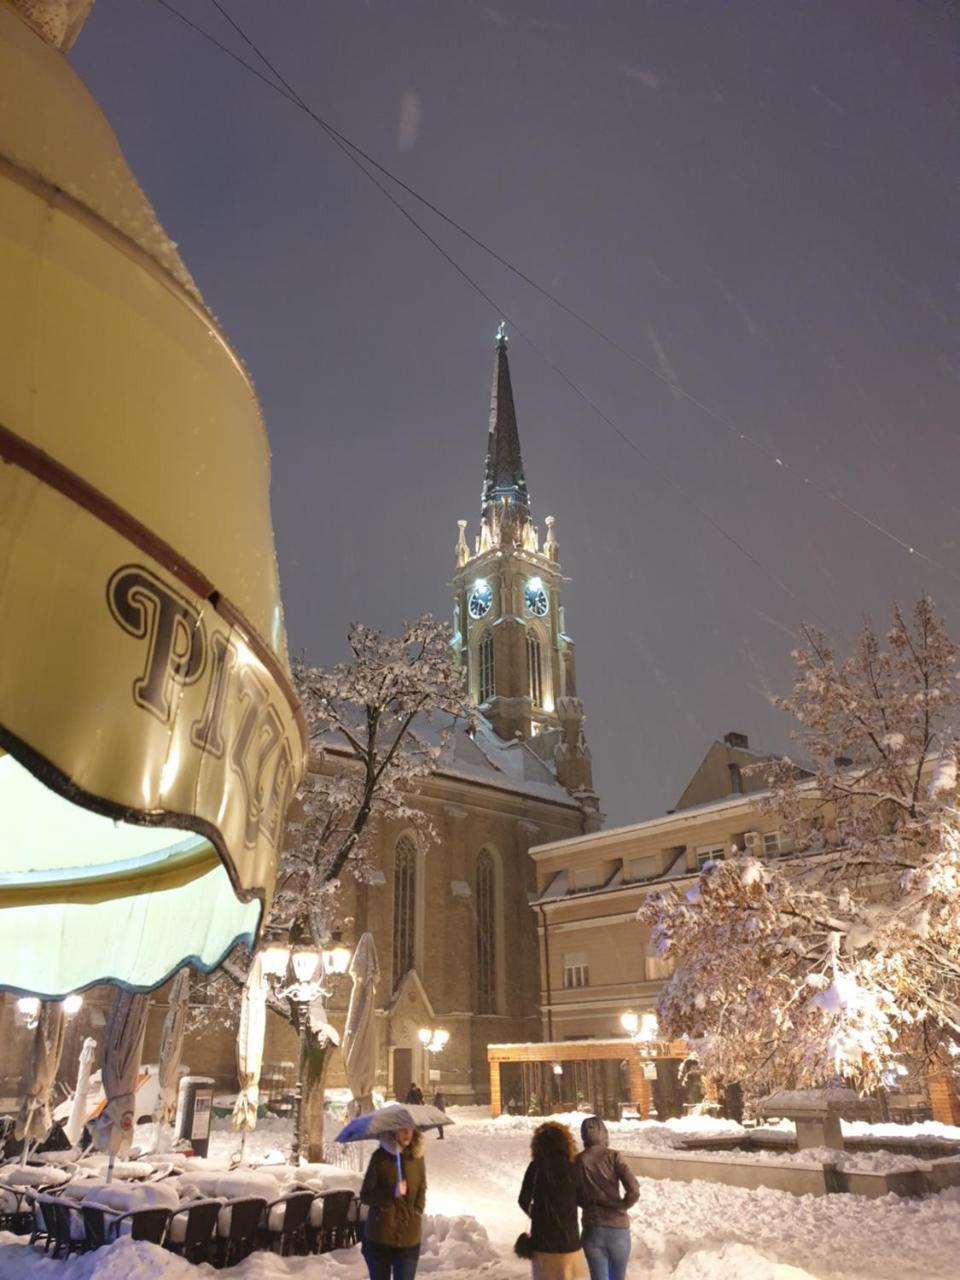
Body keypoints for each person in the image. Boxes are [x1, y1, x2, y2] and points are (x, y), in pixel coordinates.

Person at [518, 1121, 585, 1280]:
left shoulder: (535, 1167)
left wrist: (538, 1215)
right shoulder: (573, 1167)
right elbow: (583, 1199)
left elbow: (523, 1200)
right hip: (569, 1240)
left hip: (542, 1241)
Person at [575, 1116, 639, 1280]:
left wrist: (587, 1205)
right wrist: (622, 1206)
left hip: (592, 1229)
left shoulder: (577, 1161)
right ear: (604, 1133)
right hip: (618, 1229)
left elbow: (573, 1194)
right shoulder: (614, 1157)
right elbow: (634, 1190)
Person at [360, 1124, 426, 1280]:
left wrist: (417, 1210)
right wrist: (392, 1193)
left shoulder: (417, 1157)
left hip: (409, 1236)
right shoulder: (380, 1157)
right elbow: (366, 1195)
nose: (407, 1133)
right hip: (380, 1236)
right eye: (402, 1129)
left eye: (410, 1129)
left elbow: (422, 1187)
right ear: (393, 1130)